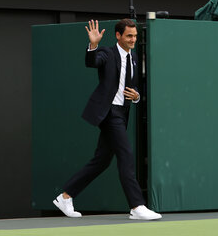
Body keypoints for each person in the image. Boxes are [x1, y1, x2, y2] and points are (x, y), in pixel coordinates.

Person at [54, 19, 162, 221]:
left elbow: (134, 86)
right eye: (129, 36)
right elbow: (92, 62)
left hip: (122, 113)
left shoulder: (135, 58)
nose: (133, 39)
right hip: (109, 113)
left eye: (135, 36)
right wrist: (93, 45)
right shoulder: (107, 53)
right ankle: (137, 206)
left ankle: (65, 196)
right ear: (118, 36)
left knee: (101, 161)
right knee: (126, 155)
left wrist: (136, 96)